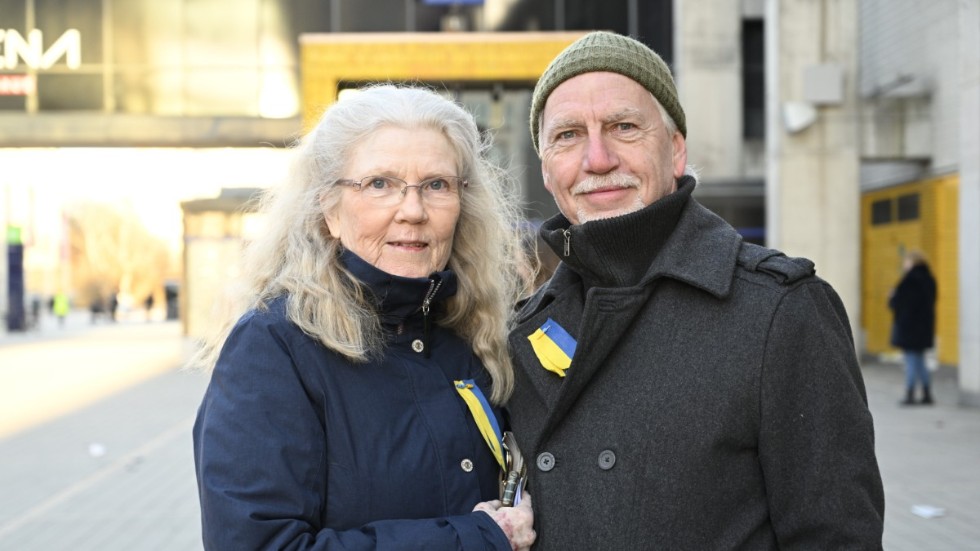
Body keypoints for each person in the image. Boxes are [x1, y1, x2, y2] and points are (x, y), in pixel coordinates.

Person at [506, 31, 885, 549]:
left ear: (676, 149)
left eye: (623, 127)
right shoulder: (521, 331)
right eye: (568, 135)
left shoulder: (780, 310)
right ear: (548, 171)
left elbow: (837, 537)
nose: (597, 159)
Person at [191, 84, 536, 551]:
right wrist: (474, 541)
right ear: (329, 208)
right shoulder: (273, 349)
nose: (412, 211)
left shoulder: (474, 334)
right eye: (380, 184)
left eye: (436, 185)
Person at [889, 249, 937, 405]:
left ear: (912, 262)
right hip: (924, 328)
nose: (904, 264)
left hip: (910, 328)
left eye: (906, 261)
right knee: (920, 360)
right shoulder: (930, 279)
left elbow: (900, 303)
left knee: (910, 360)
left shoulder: (909, 280)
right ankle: (926, 393)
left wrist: (893, 296)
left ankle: (910, 394)